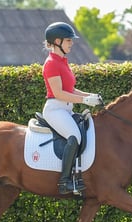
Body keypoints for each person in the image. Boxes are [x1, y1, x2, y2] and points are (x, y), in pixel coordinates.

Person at [42, 22, 102, 194]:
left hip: (66, 109)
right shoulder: (51, 63)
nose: (72, 43)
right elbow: (59, 93)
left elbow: (71, 90)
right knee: (74, 135)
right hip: (55, 109)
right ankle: (64, 182)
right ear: (57, 41)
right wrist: (85, 101)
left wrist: (89, 96)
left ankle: (78, 175)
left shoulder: (62, 61)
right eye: (69, 40)